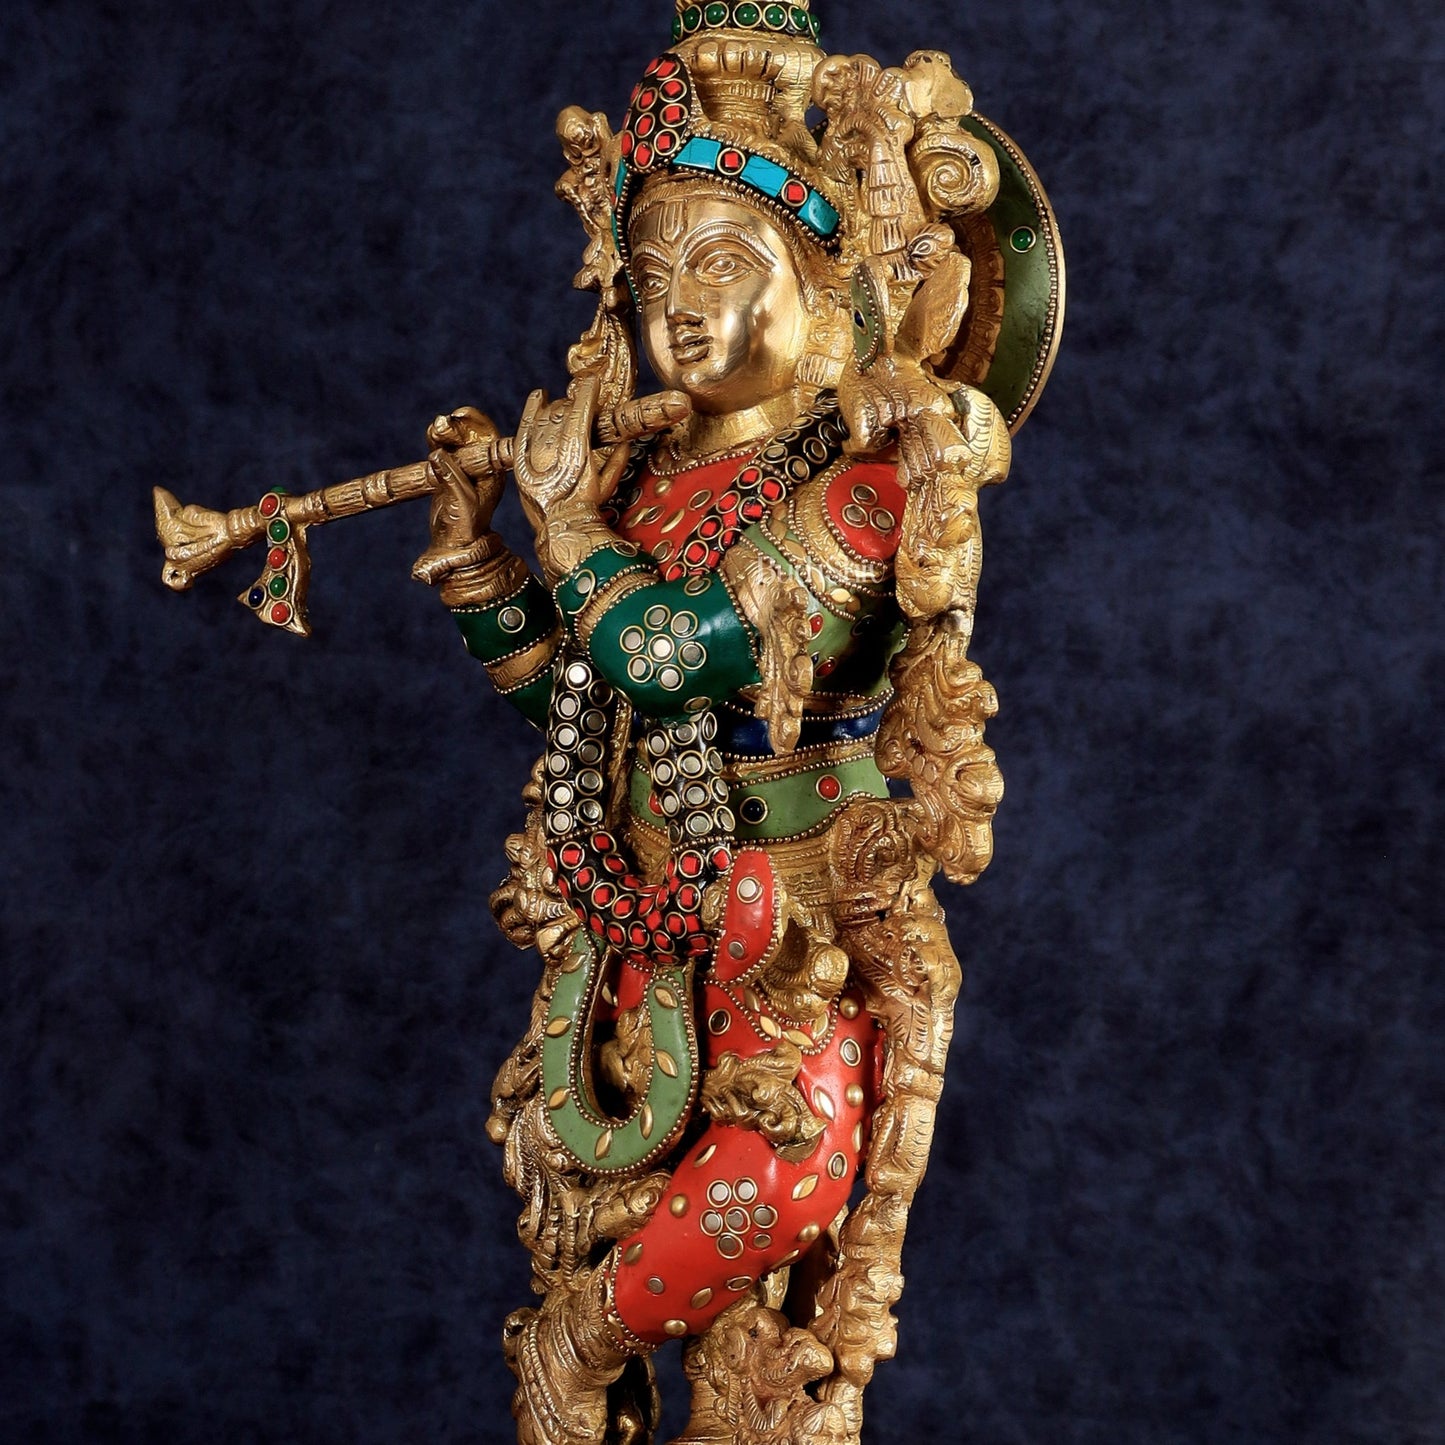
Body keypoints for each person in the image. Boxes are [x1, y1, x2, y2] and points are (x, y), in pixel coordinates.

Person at [416, 7, 1014, 1442]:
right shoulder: (645, 485)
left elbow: (671, 653)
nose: (677, 305)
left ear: (827, 290)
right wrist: (479, 556)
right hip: (635, 908)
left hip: (785, 917)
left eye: (725, 261)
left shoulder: (862, 487)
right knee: (585, 1226)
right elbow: (581, 691)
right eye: (652, 273)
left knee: (779, 1185)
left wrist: (562, 523)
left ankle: (587, 1351)